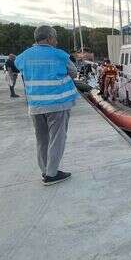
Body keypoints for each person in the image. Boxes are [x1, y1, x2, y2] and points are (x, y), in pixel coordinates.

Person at [15, 25, 78, 186]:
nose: (56, 41)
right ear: (49, 38)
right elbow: (73, 72)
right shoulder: (60, 55)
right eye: (55, 38)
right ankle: (52, 174)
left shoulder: (23, 56)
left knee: (41, 140)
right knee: (57, 139)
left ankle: (45, 171)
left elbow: (19, 67)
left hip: (35, 105)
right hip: (58, 104)